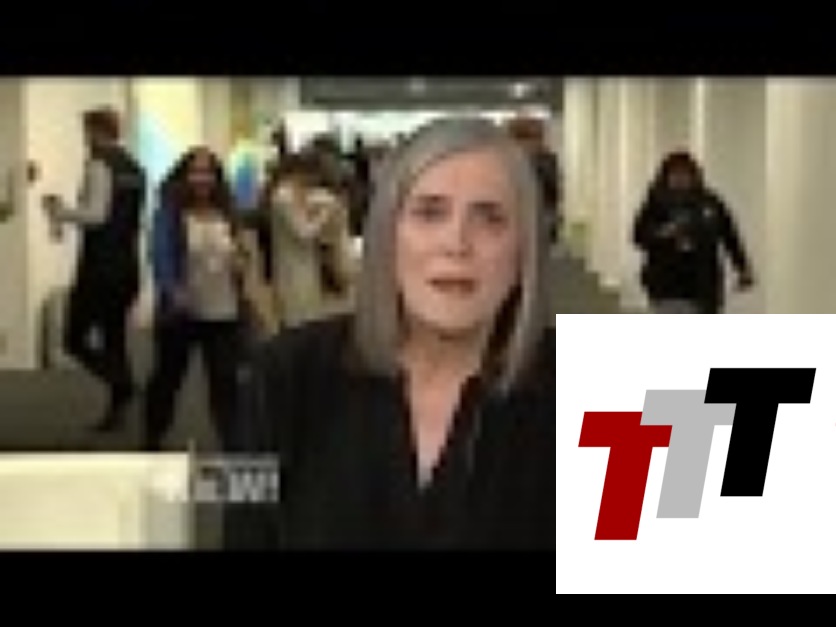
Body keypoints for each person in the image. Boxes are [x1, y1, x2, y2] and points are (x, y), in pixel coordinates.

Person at [223, 116, 555, 550]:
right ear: (386, 235)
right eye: (429, 213)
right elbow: (240, 529)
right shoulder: (277, 372)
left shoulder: (614, 395)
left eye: (490, 218)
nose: (456, 243)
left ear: (525, 251)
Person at [43, 106, 147, 432]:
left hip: (99, 267)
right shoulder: (135, 169)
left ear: (96, 131)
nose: (85, 138)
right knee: (114, 339)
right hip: (127, 264)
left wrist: (61, 211)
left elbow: (96, 215)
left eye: (86, 131)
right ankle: (117, 408)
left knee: (73, 339)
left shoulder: (99, 164)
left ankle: (123, 384)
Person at [143, 146, 251, 451]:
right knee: (167, 379)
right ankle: (152, 438)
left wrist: (242, 261)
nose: (202, 179)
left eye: (208, 172)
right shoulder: (170, 213)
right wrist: (171, 288)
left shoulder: (228, 213)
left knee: (225, 383)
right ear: (183, 176)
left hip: (223, 310)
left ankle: (233, 446)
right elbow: (160, 254)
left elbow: (240, 252)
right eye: (195, 172)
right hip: (182, 312)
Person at [633, 150, 755, 314]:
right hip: (667, 286)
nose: (680, 179)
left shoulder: (710, 203)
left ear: (694, 175)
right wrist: (664, 233)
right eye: (675, 174)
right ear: (665, 177)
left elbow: (730, 236)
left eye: (685, 174)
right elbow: (639, 236)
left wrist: (742, 268)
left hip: (704, 285)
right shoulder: (656, 203)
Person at [254, 152, 355, 330]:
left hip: (306, 267)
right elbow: (304, 233)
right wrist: (324, 214)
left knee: (310, 318)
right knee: (299, 321)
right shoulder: (284, 195)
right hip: (293, 270)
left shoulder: (299, 193)